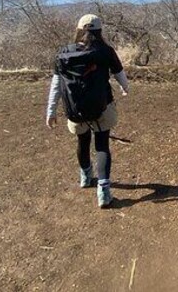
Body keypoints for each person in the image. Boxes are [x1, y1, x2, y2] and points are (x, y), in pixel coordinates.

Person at [46, 14, 129, 208]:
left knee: (82, 142)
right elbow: (120, 75)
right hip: (102, 108)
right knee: (101, 145)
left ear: (79, 30)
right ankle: (104, 192)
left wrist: (51, 111)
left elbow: (56, 85)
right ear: (99, 31)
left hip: (75, 110)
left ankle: (85, 176)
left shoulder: (63, 54)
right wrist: (125, 88)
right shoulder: (105, 51)